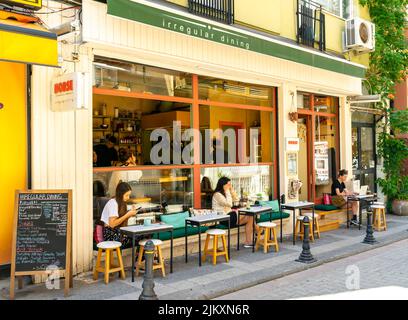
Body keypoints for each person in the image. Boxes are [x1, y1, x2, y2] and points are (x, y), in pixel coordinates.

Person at [212, 177, 257, 248]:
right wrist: (227, 191)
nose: (230, 186)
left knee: (251, 217)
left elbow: (236, 199)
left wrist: (231, 190)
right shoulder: (217, 195)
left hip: (231, 216)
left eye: (230, 185)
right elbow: (229, 204)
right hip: (223, 218)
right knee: (247, 212)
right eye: (228, 185)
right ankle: (258, 230)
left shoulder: (226, 193)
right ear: (223, 185)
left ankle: (248, 242)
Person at [100, 182, 139, 246]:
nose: (128, 197)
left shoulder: (121, 203)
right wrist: (127, 215)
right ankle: (140, 255)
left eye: (129, 195)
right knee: (139, 237)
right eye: (126, 195)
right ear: (120, 194)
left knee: (144, 235)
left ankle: (140, 255)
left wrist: (130, 215)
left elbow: (120, 220)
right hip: (111, 235)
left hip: (118, 232)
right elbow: (112, 224)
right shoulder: (113, 203)